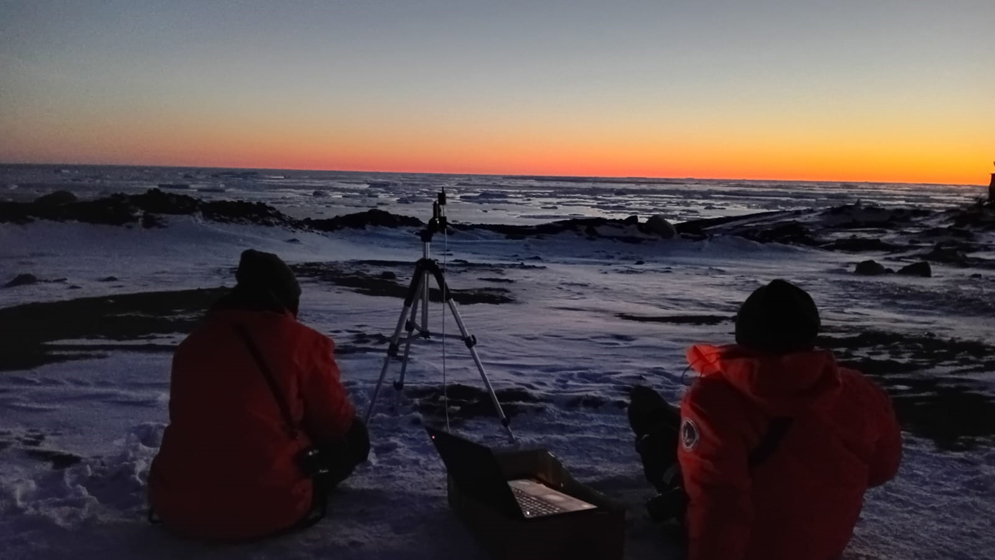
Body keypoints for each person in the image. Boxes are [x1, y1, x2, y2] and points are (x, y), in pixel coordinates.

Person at [629, 279, 902, 560]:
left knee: (653, 426)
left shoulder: (714, 399)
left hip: (749, 549)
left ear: (743, 330)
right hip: (823, 547)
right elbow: (882, 469)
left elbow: (719, 504)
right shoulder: (860, 391)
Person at [149, 249, 369, 541]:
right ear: (284, 299)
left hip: (176, 506)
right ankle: (277, 491)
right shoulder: (303, 343)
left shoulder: (192, 343)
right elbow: (334, 422)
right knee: (355, 437)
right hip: (268, 509)